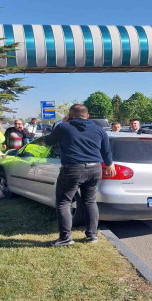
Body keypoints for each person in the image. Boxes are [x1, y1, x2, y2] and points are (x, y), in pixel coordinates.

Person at [45, 104, 116, 247]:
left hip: (72, 169)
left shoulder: (63, 127)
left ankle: (65, 238)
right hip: (95, 169)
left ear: (70, 115)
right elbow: (106, 150)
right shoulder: (98, 129)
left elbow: (48, 141)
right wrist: (110, 164)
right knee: (89, 201)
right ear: (87, 115)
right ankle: (92, 235)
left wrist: (61, 123)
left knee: (63, 202)